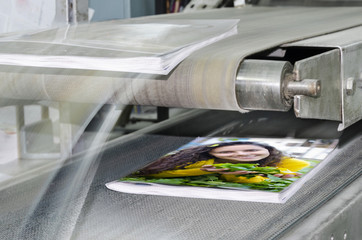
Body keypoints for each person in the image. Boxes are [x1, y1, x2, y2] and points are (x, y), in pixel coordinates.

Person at [138, 141, 310, 184]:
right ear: (211, 151)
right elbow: (158, 172)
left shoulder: (283, 162)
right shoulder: (204, 162)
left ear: (268, 149)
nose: (241, 154)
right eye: (227, 151)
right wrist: (206, 170)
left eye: (251, 150)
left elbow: (303, 172)